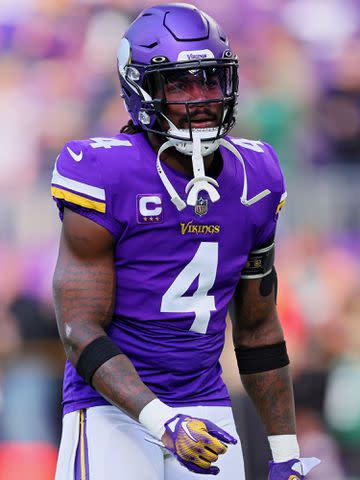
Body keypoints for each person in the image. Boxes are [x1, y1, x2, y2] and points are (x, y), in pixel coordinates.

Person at [51, 4, 320, 479]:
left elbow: (258, 328)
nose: (201, 98)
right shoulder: (103, 171)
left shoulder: (256, 176)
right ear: (143, 90)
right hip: (112, 407)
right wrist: (162, 420)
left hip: (205, 401)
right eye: (179, 83)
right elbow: (79, 330)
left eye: (210, 80)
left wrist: (285, 451)